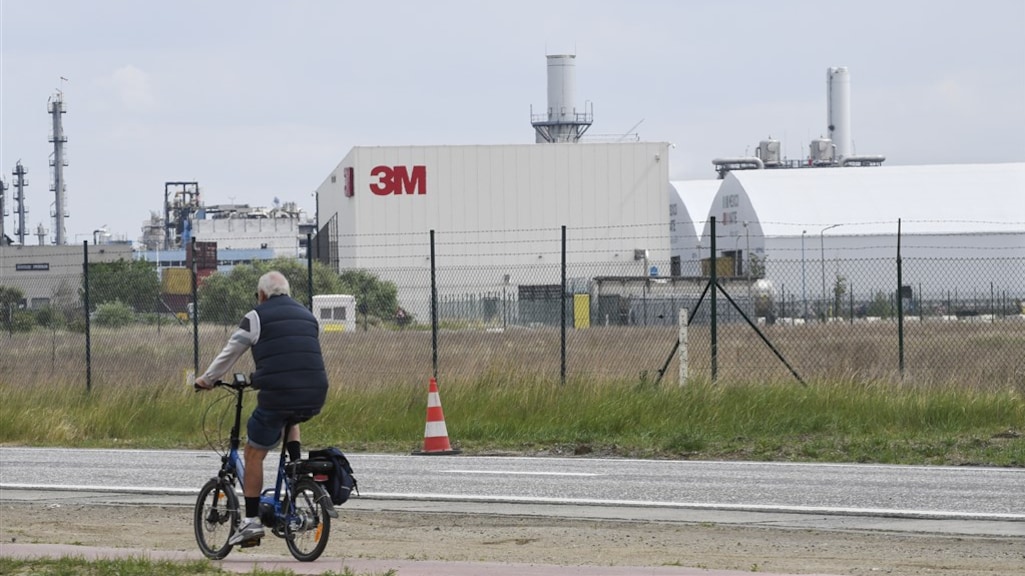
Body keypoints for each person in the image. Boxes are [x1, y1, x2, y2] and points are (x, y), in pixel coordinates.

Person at [195, 270, 329, 545]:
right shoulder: (308, 316)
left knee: (253, 453)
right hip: (315, 393)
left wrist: (207, 380)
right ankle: (294, 466)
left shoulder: (257, 316)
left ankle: (251, 521)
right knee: (291, 416)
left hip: (278, 394)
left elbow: (231, 351)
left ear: (263, 295)